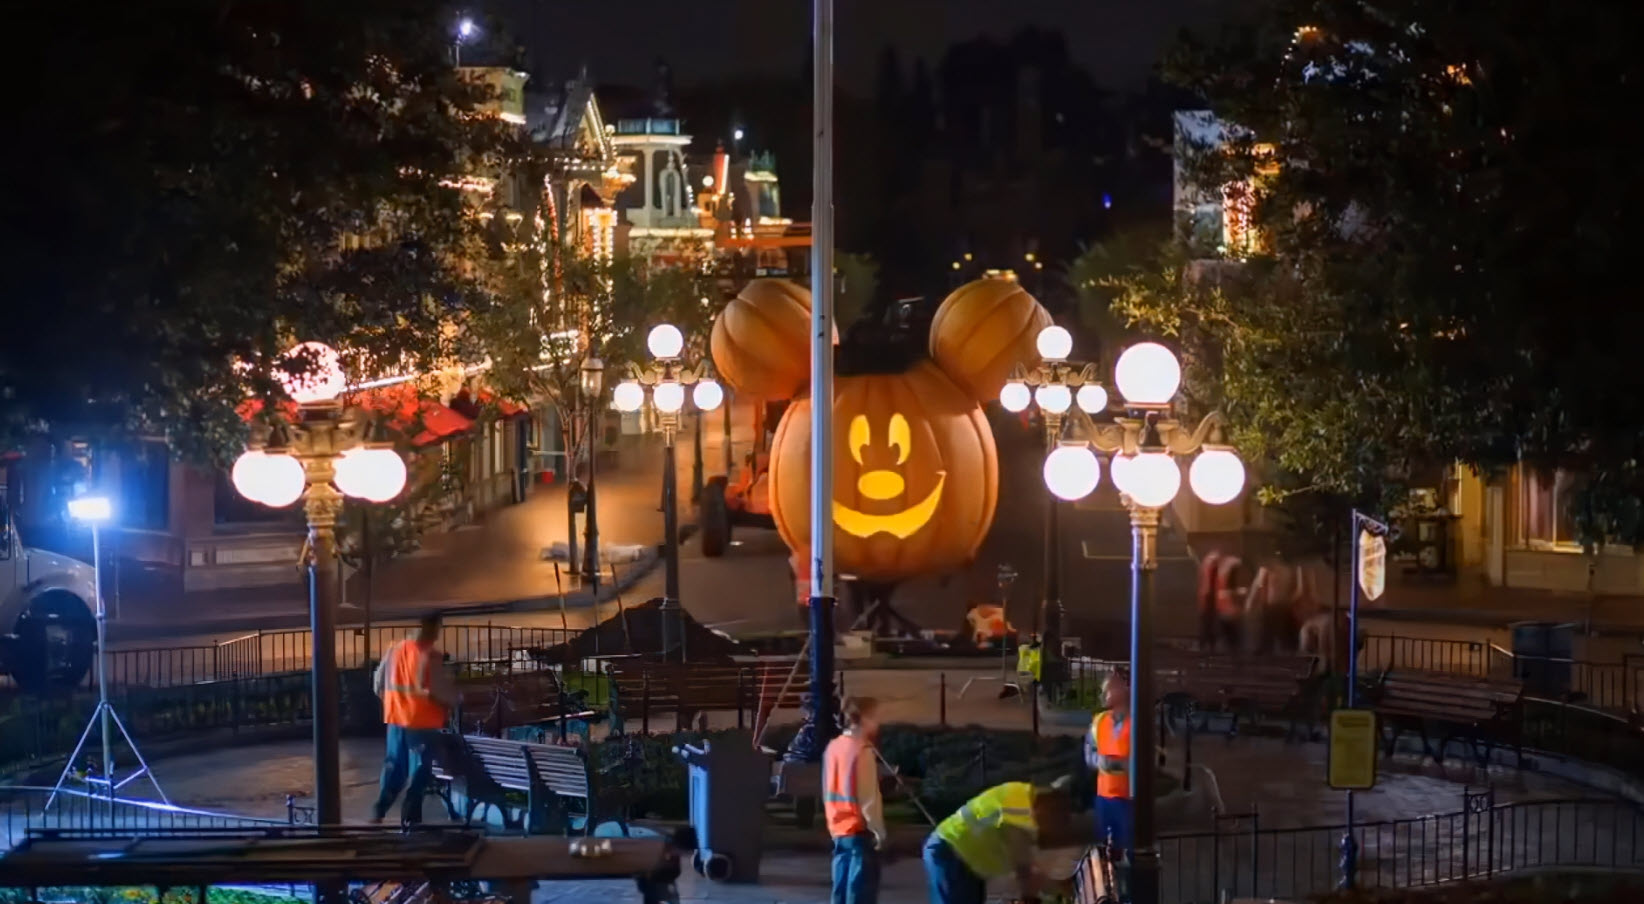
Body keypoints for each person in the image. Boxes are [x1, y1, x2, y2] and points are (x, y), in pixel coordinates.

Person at [922, 777, 1074, 904]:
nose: (1058, 822)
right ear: (1051, 800)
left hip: (964, 862)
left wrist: (1059, 887)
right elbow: (1023, 869)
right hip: (950, 853)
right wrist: (1031, 897)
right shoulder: (1018, 809)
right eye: (1059, 814)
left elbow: (1031, 869)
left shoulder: (1027, 806)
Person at [370, 613, 456, 825]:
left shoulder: (395, 650)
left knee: (394, 766)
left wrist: (394, 703)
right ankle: (411, 817)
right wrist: (455, 700)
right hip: (421, 722)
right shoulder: (430, 655)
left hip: (396, 719)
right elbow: (438, 692)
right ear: (434, 628)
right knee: (421, 769)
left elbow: (378, 683)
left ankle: (379, 810)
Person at [825, 696, 887, 904]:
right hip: (859, 829)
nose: (878, 723)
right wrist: (878, 831)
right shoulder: (862, 751)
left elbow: (829, 787)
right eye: (875, 717)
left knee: (840, 889)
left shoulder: (834, 747)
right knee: (860, 893)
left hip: (838, 827)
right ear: (864, 719)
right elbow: (868, 796)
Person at [1085, 672, 1133, 862]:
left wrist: (1119, 764)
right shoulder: (1099, 721)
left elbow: (1146, 759)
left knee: (1126, 850)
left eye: (1107, 690)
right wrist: (1100, 761)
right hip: (1104, 795)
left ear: (1121, 690)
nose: (1103, 695)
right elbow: (1089, 752)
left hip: (1127, 797)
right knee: (1103, 850)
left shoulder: (1136, 723)